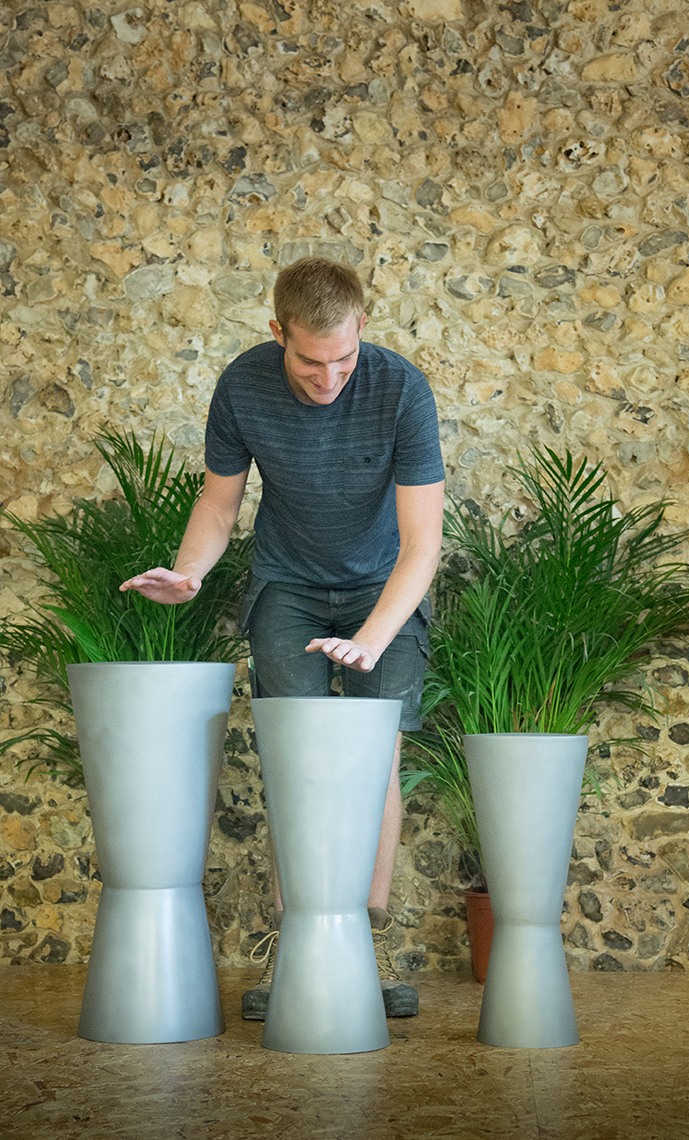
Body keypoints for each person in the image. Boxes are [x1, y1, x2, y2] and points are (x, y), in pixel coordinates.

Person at [120, 256, 445, 1020]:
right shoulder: (242, 384)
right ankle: (299, 944)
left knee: (377, 761)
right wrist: (192, 573)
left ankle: (364, 947)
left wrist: (371, 638)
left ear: (362, 329)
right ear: (277, 333)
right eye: (308, 360)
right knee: (291, 764)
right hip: (287, 588)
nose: (327, 378)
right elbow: (219, 502)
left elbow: (422, 545)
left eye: (342, 359)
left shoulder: (401, 390)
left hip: (383, 590)